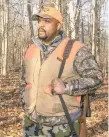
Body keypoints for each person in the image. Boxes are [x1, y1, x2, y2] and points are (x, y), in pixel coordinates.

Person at [20, 6, 103, 137]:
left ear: (58, 25)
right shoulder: (31, 49)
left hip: (62, 125)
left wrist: (67, 87)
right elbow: (24, 81)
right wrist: (25, 104)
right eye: (39, 21)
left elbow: (96, 78)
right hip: (31, 123)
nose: (41, 25)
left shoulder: (76, 49)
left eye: (47, 21)